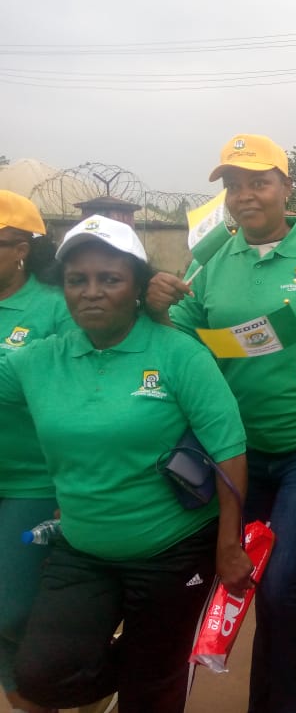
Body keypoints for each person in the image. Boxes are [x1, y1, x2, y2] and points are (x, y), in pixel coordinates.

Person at [146, 134, 296, 713]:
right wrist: (155, 304)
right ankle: (282, 693)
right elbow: (180, 332)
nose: (244, 195)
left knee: (279, 580)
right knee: (253, 579)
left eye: (258, 181)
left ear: (286, 187)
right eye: (233, 185)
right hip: (240, 447)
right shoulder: (212, 262)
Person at [3, 215, 249, 713]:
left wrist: (228, 545)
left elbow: (229, 448)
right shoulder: (36, 361)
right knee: (38, 678)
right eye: (78, 280)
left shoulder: (179, 354)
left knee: (149, 694)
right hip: (83, 549)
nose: (91, 292)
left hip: (171, 550)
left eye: (109, 279)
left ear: (138, 285)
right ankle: (150, 662)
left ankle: (153, 668)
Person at [0, 192, 76, 713]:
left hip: (32, 479)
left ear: (24, 246)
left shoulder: (55, 307)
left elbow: (74, 386)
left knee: (14, 610)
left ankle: (66, 687)